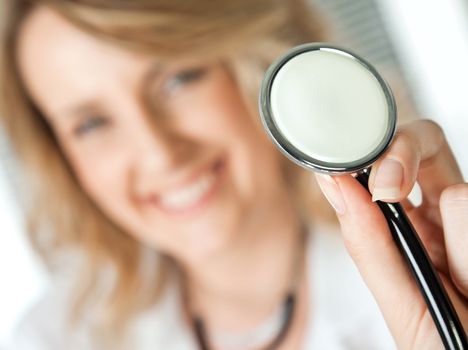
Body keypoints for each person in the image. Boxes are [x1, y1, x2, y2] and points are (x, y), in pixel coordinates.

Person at [0, 0, 466, 349]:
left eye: (178, 80)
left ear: (255, 63)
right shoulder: (52, 339)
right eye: (91, 123)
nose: (160, 155)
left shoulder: (441, 258)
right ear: (60, 158)